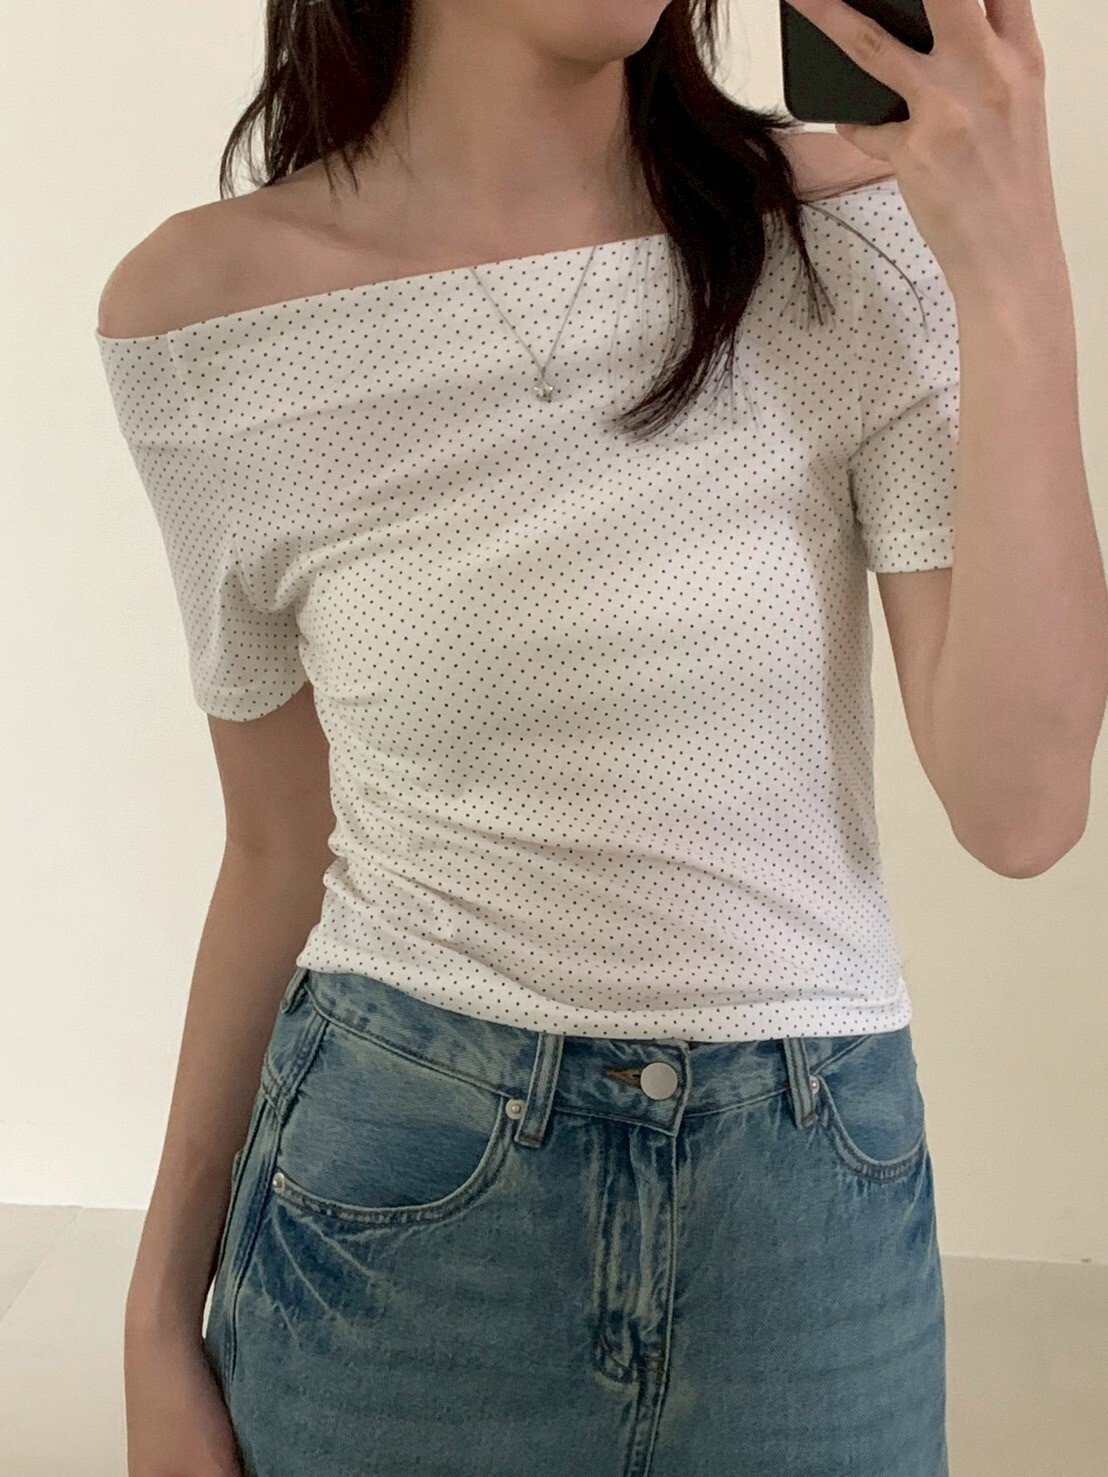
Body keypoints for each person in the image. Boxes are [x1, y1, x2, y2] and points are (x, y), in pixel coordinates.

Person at [95, 3, 956, 1474]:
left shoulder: (854, 232)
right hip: (405, 1189)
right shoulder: (208, 317)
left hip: (808, 1205)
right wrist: (158, 1317)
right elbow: (276, 845)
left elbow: (1023, 804)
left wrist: (1015, 249)